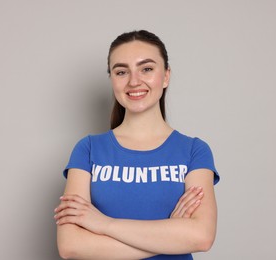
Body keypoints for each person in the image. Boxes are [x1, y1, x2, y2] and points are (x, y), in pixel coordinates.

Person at [54, 30, 220, 260]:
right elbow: (70, 246)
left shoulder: (194, 151)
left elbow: (201, 236)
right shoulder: (88, 149)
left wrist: (105, 224)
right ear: (112, 79)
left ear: (166, 76)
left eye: (147, 69)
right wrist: (169, 236)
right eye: (121, 72)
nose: (134, 81)